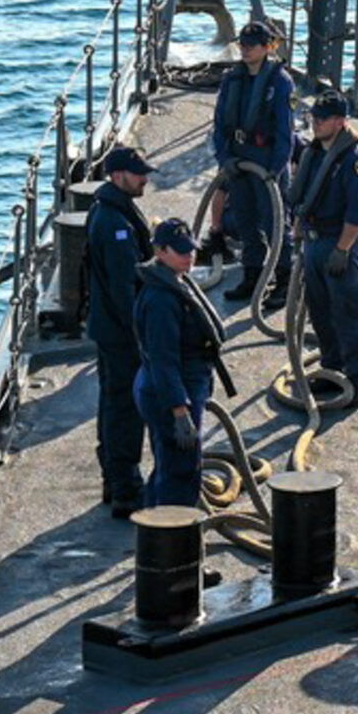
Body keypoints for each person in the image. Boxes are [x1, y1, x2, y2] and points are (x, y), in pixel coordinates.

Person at [131, 216, 233, 510]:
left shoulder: (175, 280)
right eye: (181, 251)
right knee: (180, 474)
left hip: (178, 385)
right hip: (172, 393)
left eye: (191, 249)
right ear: (160, 252)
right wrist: (179, 412)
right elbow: (163, 361)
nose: (189, 256)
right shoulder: (161, 301)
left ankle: (153, 520)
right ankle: (172, 534)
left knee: (169, 465)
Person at [287, 90, 358, 407]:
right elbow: (305, 196)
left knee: (347, 311)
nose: (315, 123)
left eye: (322, 119)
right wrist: (299, 227)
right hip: (314, 241)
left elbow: (356, 214)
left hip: (338, 242)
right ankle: (332, 368)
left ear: (339, 122)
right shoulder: (314, 154)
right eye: (314, 117)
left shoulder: (356, 164)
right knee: (320, 309)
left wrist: (342, 249)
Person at [82, 144, 157, 514]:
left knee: (112, 403)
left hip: (108, 327)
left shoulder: (107, 208)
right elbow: (124, 287)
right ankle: (126, 489)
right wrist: (141, 335)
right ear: (117, 176)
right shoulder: (115, 225)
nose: (144, 179)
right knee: (125, 408)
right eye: (138, 174)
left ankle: (113, 481)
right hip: (121, 333)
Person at [210, 20, 294, 304]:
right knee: (245, 219)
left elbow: (284, 133)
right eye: (242, 44)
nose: (244, 49)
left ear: (267, 47)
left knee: (275, 222)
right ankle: (253, 275)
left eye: (251, 45)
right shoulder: (232, 79)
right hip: (238, 160)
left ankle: (284, 278)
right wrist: (224, 159)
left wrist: (275, 170)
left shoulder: (280, 83)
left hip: (266, 162)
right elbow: (219, 123)